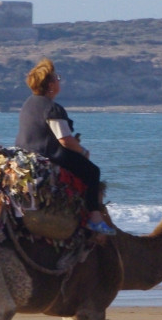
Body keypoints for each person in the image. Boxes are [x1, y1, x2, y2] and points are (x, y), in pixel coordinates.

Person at [15, 58, 115, 236]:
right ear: (50, 85)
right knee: (93, 172)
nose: (59, 81)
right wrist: (83, 152)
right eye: (57, 78)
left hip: (24, 154)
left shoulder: (28, 104)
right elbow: (65, 140)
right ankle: (94, 218)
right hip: (47, 156)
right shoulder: (53, 108)